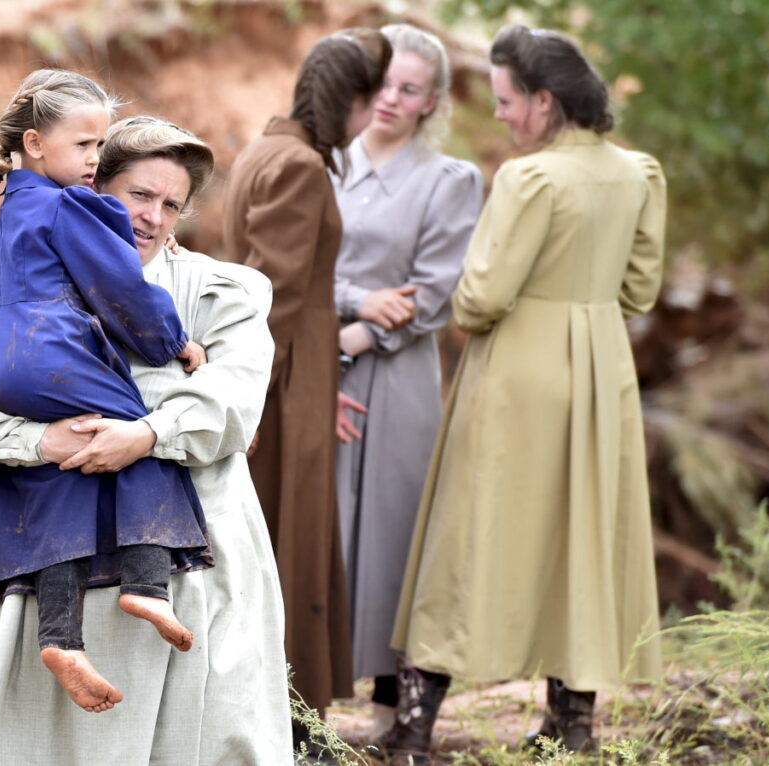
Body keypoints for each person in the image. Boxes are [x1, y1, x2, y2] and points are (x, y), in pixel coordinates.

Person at [0, 116, 293, 765]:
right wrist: (40, 441)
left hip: (191, 556)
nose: (153, 216)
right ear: (89, 191)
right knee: (36, 738)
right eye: (138, 195)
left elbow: (235, 398)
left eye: (171, 203)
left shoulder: (221, 294)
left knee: (199, 734)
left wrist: (150, 433)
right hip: (35, 549)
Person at [380, 24, 666, 763]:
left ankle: (414, 730)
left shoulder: (529, 178)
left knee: (469, 531)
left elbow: (479, 298)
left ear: (545, 101)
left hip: (515, 375)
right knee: (582, 533)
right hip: (601, 372)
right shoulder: (639, 173)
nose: (501, 116)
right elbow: (639, 290)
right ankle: (571, 725)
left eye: (508, 102)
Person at [0, 69, 212, 715]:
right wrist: (172, 343)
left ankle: (61, 638)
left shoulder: (16, 199)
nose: (96, 159)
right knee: (137, 434)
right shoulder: (71, 205)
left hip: (3, 362)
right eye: (85, 145)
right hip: (53, 355)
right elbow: (121, 289)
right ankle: (149, 583)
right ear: (36, 142)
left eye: (100, 147)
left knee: (64, 471)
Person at [222, 27, 392, 734]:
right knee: (294, 542)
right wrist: (255, 402)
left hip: (296, 373)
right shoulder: (298, 167)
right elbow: (278, 296)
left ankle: (283, 715)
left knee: (277, 543)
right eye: (370, 103)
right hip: (284, 385)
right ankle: (292, 720)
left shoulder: (264, 151)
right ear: (349, 102)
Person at [331, 23, 483, 743]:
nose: (392, 99)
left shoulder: (449, 181)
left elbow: (438, 289)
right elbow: (289, 270)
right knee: (322, 526)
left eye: (410, 89)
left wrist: (357, 335)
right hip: (319, 370)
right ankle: (309, 700)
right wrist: (351, 307)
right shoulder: (321, 165)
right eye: (384, 83)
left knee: (396, 533)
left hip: (400, 376)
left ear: (432, 103)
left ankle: (396, 711)